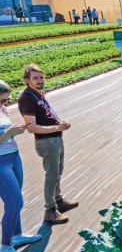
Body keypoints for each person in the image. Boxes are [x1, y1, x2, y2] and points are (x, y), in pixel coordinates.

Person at [18, 64, 78, 224]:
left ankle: (58, 201)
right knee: (51, 175)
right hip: (46, 142)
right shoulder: (27, 98)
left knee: (57, 172)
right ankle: (50, 210)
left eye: (41, 77)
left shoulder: (37, 95)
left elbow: (47, 116)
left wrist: (60, 123)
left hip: (55, 139)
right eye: (35, 78)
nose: (39, 80)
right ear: (27, 80)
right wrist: (57, 127)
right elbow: (31, 127)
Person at [0, 80, 42, 252]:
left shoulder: (2, 110)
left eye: (6, 100)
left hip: (14, 158)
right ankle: (5, 246)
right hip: (1, 164)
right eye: (1, 100)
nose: (4, 104)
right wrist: (9, 133)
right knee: (15, 203)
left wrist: (15, 131)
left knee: (14, 202)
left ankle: (16, 235)